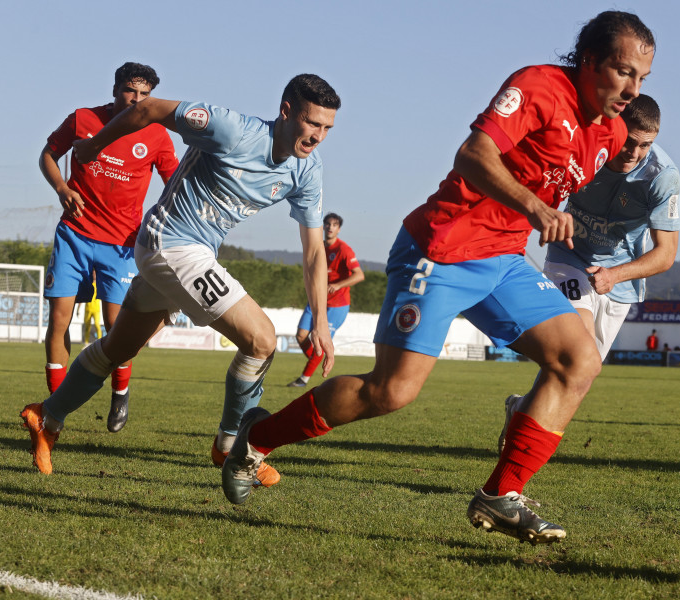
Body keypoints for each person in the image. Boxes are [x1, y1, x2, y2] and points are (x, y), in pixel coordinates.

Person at [220, 11, 655, 547]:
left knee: (579, 360)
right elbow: (473, 155)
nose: (632, 89)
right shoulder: (539, 86)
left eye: (642, 80)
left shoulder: (611, 132)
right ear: (589, 60)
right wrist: (535, 207)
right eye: (623, 72)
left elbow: (596, 177)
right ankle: (255, 439)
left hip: (504, 260)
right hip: (443, 249)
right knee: (391, 392)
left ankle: (501, 494)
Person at [20, 74, 341, 479]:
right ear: (287, 111)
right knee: (261, 340)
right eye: (313, 123)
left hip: (188, 255)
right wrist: (92, 146)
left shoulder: (306, 171)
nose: (318, 136)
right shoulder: (232, 129)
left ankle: (45, 416)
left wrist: (322, 323)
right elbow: (146, 109)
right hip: (168, 243)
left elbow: (314, 251)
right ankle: (230, 448)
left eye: (327, 128)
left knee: (118, 349)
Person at [499, 93, 680, 452]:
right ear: (614, 127)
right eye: (629, 141)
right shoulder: (584, 148)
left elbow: (665, 255)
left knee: (582, 371)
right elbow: (542, 189)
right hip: (570, 258)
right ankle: (521, 454)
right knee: (576, 347)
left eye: (646, 145)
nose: (634, 152)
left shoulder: (662, 177)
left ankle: (519, 408)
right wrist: (540, 218)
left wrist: (616, 275)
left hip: (620, 281)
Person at [40, 62, 179, 433]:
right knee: (59, 322)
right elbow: (48, 155)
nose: (136, 100)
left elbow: (175, 185)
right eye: (130, 92)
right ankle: (54, 415)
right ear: (115, 89)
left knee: (119, 328)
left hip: (121, 245)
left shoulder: (158, 136)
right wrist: (62, 189)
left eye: (144, 95)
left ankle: (121, 391)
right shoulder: (83, 118)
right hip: (74, 235)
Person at [288, 212, 364, 387]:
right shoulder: (319, 247)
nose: (330, 227)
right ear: (323, 226)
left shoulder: (344, 250)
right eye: (327, 224)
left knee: (321, 341)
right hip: (317, 299)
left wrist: (338, 285)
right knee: (301, 336)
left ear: (339, 229)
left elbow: (359, 275)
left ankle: (303, 379)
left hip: (337, 305)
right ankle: (317, 360)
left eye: (334, 225)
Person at [77, 271, 103, 347]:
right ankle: (86, 343)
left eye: (95, 274)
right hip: (88, 309)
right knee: (87, 326)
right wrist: (78, 309)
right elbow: (82, 296)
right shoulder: (88, 284)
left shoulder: (99, 285)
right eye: (92, 274)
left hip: (96, 309)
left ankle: (100, 342)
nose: (94, 275)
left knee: (97, 325)